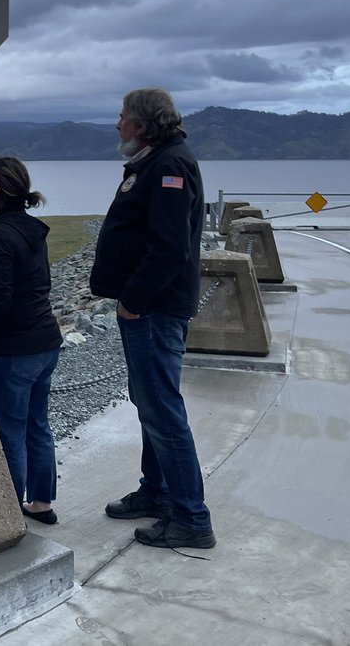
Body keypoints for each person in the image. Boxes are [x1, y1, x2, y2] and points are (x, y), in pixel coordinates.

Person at [89, 87, 216, 549]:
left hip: (154, 309)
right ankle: (157, 492)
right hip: (151, 307)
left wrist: (134, 300)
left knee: (162, 410)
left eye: (122, 116)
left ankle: (191, 519)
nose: (117, 123)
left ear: (141, 124)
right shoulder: (156, 160)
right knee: (151, 404)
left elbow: (169, 246)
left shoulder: (168, 166)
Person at [0, 157, 64, 525]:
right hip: (46, 341)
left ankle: (6, 515)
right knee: (37, 424)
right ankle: (40, 503)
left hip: (14, 351)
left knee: (8, 431)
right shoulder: (32, 231)